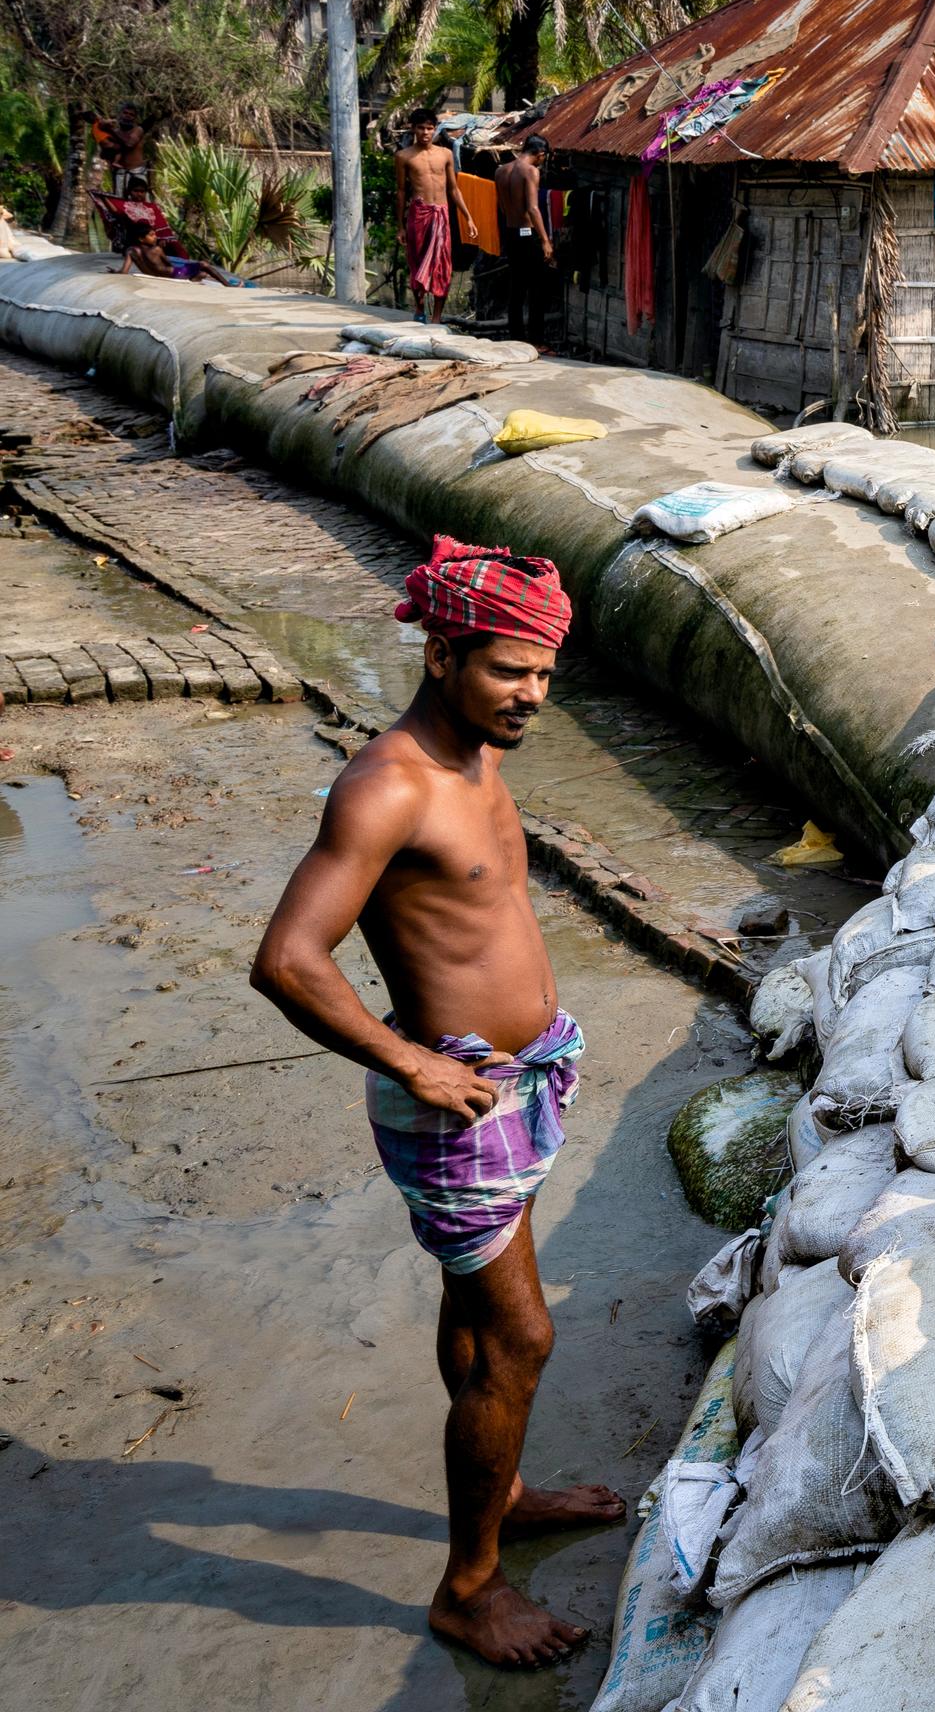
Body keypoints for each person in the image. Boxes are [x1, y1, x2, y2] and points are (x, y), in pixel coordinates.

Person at [250, 537, 622, 1669]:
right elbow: (289, 957)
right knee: (521, 1332)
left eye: (546, 674)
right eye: (511, 670)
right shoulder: (391, 782)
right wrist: (413, 1063)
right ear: (444, 650)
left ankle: (501, 1487)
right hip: (457, 1102)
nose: (533, 696)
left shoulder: (475, 753)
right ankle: (468, 1586)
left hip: (509, 1085)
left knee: (477, 1314)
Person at [396, 111, 458, 324]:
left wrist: (468, 218)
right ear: (413, 128)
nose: (425, 132)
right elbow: (401, 191)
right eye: (421, 128)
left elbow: (454, 189)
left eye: (429, 128)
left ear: (435, 129)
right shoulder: (404, 156)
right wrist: (400, 227)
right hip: (418, 214)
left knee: (443, 265)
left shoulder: (446, 154)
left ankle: (437, 317)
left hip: (441, 213)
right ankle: (420, 308)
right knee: (417, 261)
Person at [495, 135, 556, 346]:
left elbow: (502, 207)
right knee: (537, 288)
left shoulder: (501, 171)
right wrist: (545, 240)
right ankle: (536, 341)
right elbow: (532, 208)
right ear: (540, 154)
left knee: (516, 288)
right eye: (543, 157)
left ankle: (516, 339)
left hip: (511, 232)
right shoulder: (530, 171)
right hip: (528, 233)